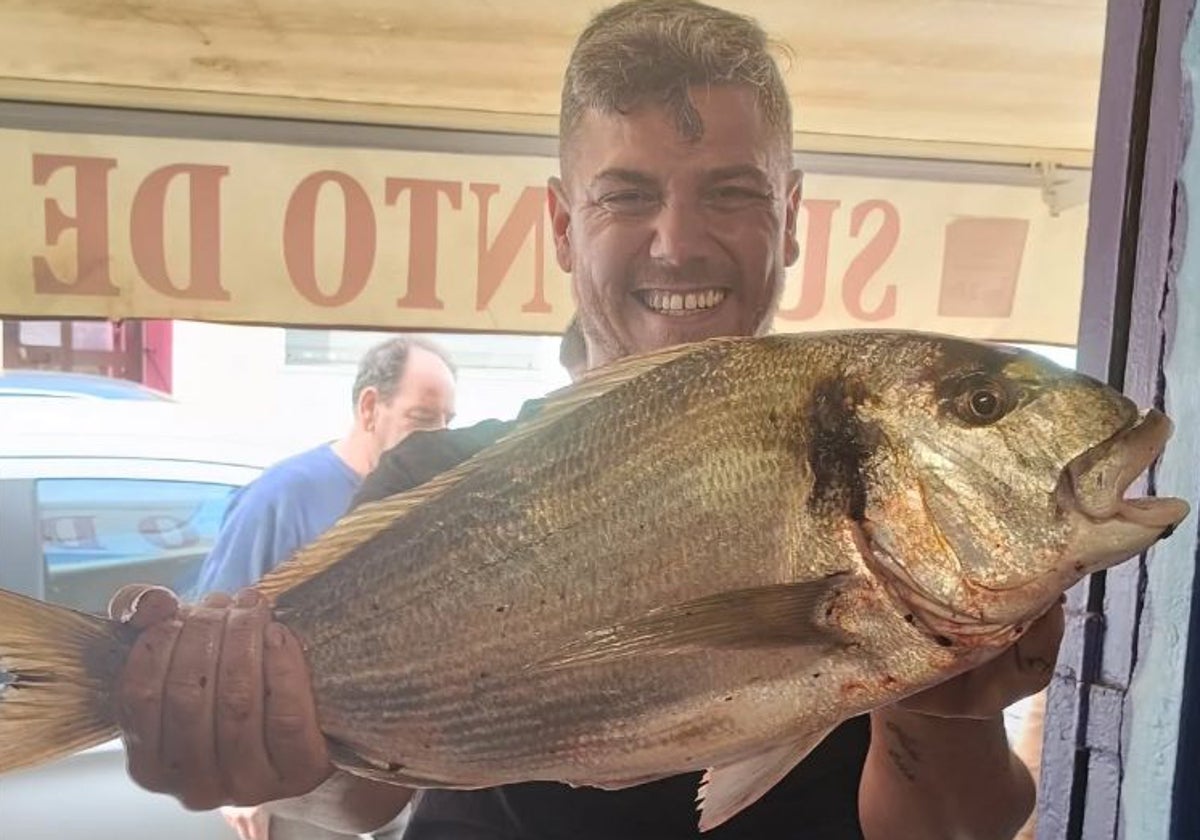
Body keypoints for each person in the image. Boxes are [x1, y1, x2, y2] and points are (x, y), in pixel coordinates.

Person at [108, 2, 1061, 838]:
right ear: (564, 224)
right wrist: (250, 745)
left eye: (731, 192)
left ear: (791, 214)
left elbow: (953, 832)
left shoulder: (876, 483)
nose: (679, 244)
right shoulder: (435, 479)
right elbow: (355, 800)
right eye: (627, 196)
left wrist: (947, 706)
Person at [193, 334, 457, 840]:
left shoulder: (431, 501)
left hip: (406, 785)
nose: (440, 435)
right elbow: (216, 638)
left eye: (448, 420)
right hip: (306, 788)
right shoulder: (280, 498)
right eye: (424, 419)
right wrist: (236, 784)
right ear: (369, 407)